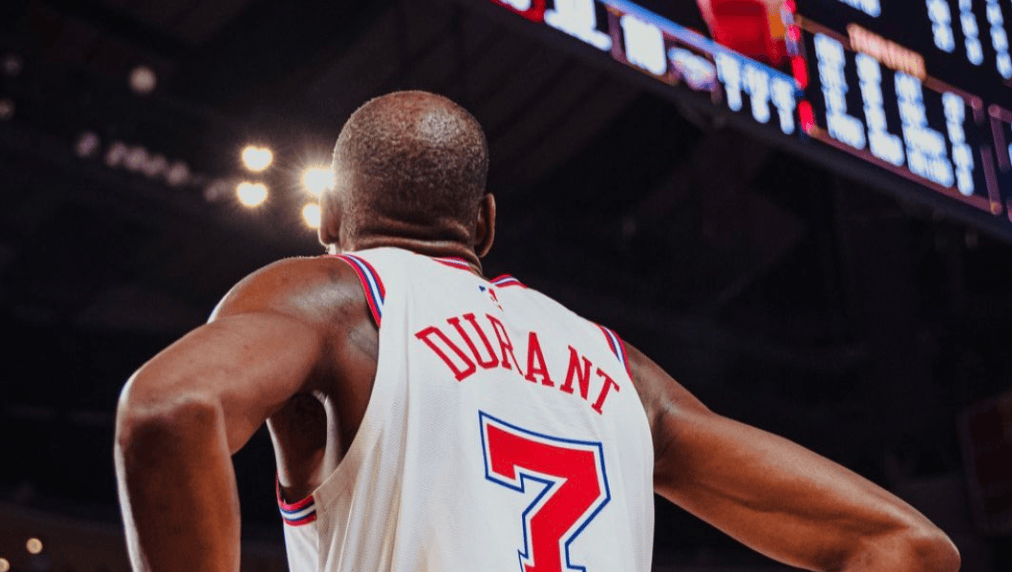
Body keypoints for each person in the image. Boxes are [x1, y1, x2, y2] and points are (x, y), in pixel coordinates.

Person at [114, 90, 960, 572]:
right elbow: (906, 545)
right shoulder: (618, 367)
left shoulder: (338, 300)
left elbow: (168, 409)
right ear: (484, 226)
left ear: (329, 218)